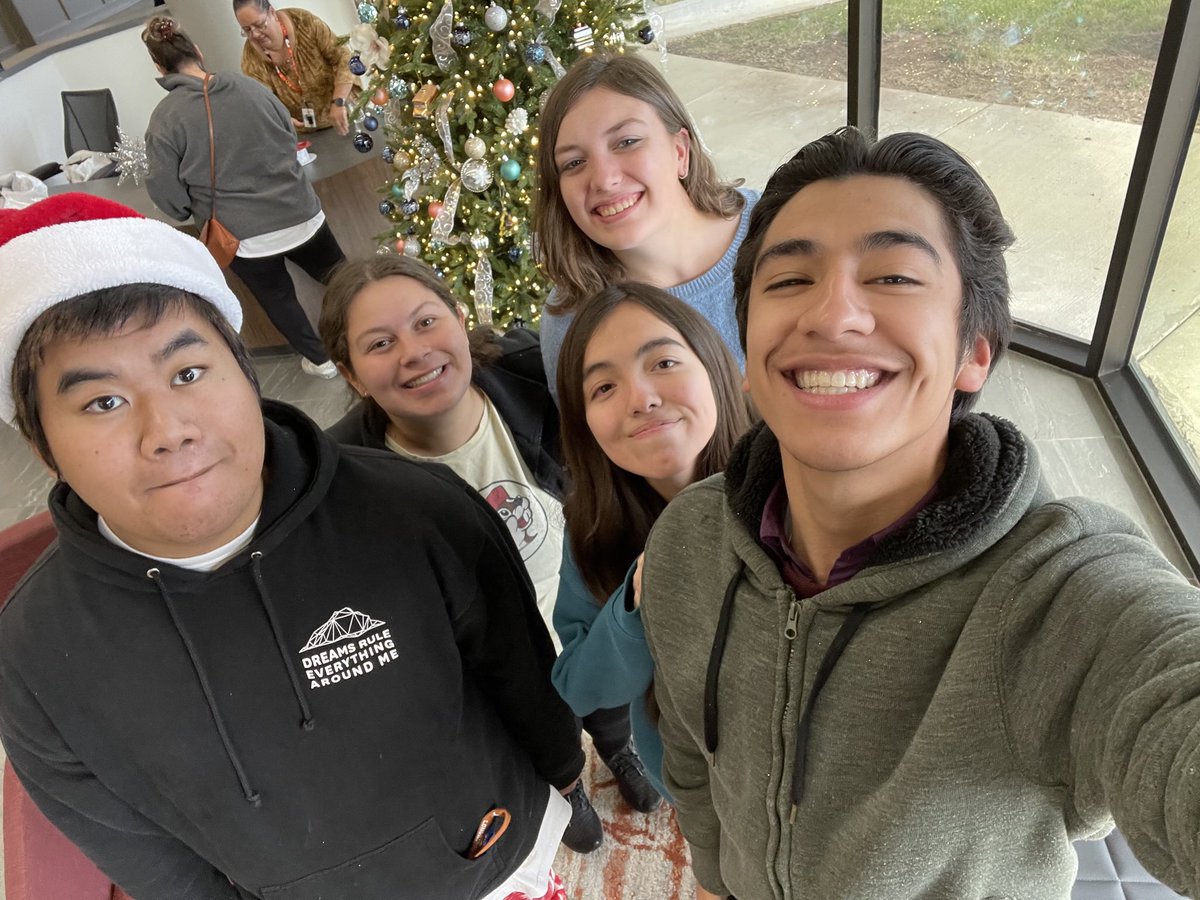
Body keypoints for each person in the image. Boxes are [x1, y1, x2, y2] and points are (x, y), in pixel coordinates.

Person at [638, 125, 1200, 900]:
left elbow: (1171, 690)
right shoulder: (688, 545)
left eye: (895, 277)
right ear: (749, 353)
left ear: (976, 349)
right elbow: (693, 757)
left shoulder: (1057, 592)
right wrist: (713, 877)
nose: (833, 315)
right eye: (790, 281)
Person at [0, 192, 584, 900]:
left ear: (245, 375)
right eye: (102, 402)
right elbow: (142, 853)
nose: (167, 431)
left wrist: (562, 777)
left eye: (187, 374)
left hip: (499, 860)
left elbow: (523, 682)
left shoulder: (414, 511)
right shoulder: (33, 656)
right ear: (42, 444)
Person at [318, 255, 644, 851]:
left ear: (460, 318)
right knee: (533, 724)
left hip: (583, 608)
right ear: (352, 373)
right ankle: (567, 787)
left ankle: (619, 749)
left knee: (606, 688)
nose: (414, 352)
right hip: (494, 650)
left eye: (425, 322)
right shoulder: (346, 478)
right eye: (381, 343)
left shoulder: (537, 372)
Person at [550, 282, 752, 806]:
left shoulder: (800, 477)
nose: (641, 398)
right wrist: (636, 605)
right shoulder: (593, 531)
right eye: (603, 388)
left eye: (662, 362)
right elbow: (582, 687)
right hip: (696, 788)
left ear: (714, 363)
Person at [533, 53, 757, 399]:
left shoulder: (777, 224)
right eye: (574, 163)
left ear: (680, 151)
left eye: (627, 142)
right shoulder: (570, 320)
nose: (604, 180)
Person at [142, 15, 343, 379]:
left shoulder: (164, 120)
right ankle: (372, 330)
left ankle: (321, 361)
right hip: (300, 210)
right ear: (198, 51)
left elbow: (167, 194)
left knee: (279, 299)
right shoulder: (248, 86)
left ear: (158, 66)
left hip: (244, 236)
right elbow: (287, 137)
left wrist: (191, 207)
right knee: (341, 277)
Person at [234, 0, 354, 135]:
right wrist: (280, 119)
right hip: (302, 136)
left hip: (344, 120)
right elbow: (261, 103)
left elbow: (344, 58)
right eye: (247, 30)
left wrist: (338, 101)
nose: (255, 34)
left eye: (259, 25)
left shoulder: (304, 23)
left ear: (272, 13)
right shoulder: (251, 59)